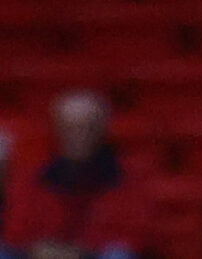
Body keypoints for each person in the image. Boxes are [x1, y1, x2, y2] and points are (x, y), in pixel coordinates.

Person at [1, 90, 146, 259]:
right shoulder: (37, 174)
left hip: (95, 254)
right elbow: (16, 231)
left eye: (87, 127)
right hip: (40, 254)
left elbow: (136, 236)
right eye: (71, 128)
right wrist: (39, 247)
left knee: (119, 256)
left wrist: (81, 251)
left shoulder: (124, 176)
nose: (79, 135)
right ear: (57, 129)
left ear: (102, 129)